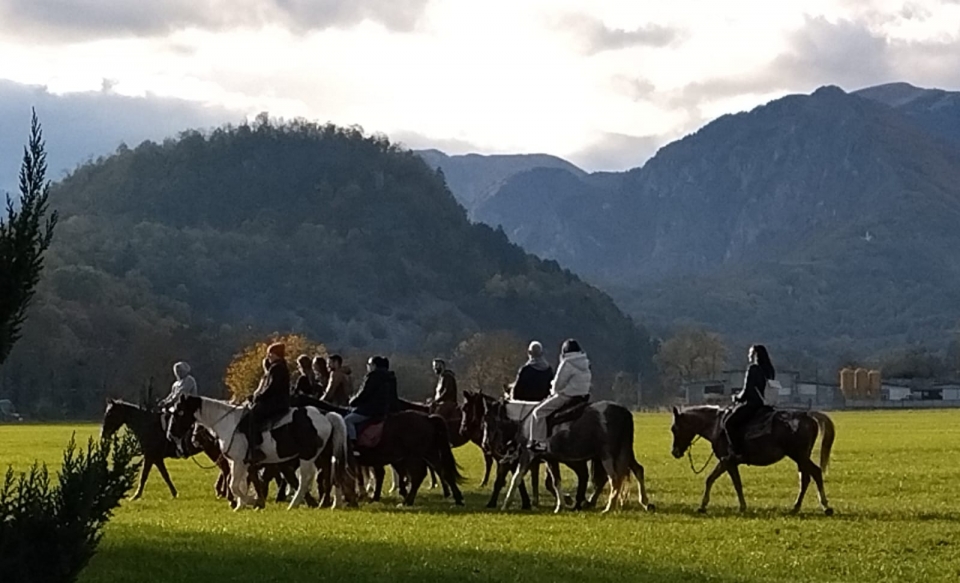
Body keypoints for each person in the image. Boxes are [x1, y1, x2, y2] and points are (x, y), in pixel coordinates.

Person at [528, 339, 591, 453]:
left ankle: (539, 442)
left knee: (538, 412)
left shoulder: (567, 362)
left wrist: (552, 390)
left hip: (567, 396)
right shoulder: (585, 361)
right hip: (583, 396)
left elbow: (558, 385)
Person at [722, 344, 775, 462]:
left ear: (755, 354)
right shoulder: (769, 370)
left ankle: (737, 452)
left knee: (728, 423)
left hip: (753, 405)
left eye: (750, 353)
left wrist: (737, 398)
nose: (748, 356)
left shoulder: (753, 369)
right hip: (766, 405)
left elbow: (747, 390)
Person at [244, 343, 291, 464]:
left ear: (275, 354)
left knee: (252, 416)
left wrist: (258, 397)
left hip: (276, 403)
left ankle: (255, 448)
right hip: (280, 401)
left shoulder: (276, 368)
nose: (268, 356)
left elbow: (271, 388)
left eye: (270, 354)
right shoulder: (281, 366)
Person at [343, 356, 398, 447]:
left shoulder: (373, 376)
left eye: (369, 364)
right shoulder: (391, 378)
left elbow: (364, 394)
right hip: (385, 411)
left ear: (374, 365)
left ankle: (353, 444)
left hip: (369, 410)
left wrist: (352, 401)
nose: (367, 366)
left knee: (348, 420)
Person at [158, 361, 198, 456]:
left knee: (176, 419)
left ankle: (179, 443)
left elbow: (180, 394)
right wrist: (163, 401)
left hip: (186, 407)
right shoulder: (175, 384)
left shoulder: (189, 380)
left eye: (180, 370)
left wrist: (168, 402)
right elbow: (171, 395)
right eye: (176, 371)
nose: (178, 373)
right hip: (176, 406)